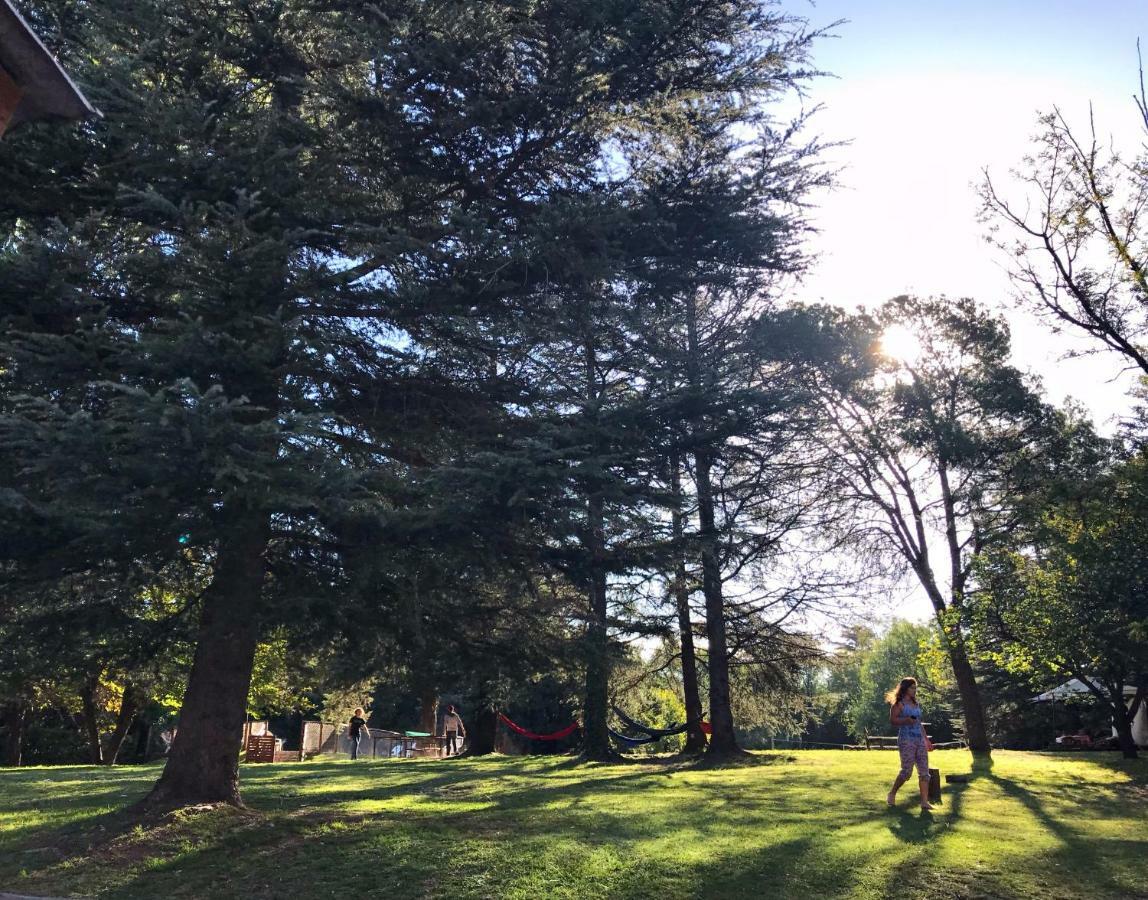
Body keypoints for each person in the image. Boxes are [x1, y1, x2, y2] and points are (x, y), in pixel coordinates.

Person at [885, 677, 934, 810]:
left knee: (924, 772)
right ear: (905, 688)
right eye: (912, 688)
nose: (914, 690)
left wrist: (926, 739)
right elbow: (893, 721)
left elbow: (919, 723)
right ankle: (892, 793)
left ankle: (924, 802)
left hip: (919, 740)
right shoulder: (899, 704)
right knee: (907, 772)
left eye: (915, 688)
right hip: (906, 740)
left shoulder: (916, 704)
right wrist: (906, 720)